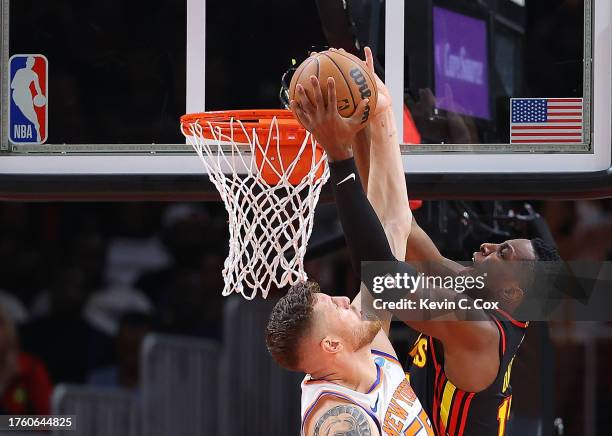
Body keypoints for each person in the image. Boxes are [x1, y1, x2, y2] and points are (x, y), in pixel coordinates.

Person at [273, 47, 562, 435]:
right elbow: (396, 222)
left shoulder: (478, 329)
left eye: (503, 253)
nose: (487, 247)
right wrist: (372, 121)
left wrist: (341, 156)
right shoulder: (467, 293)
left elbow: (383, 279)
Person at [267, 48, 434, 436]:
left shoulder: (367, 353)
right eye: (335, 306)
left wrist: (378, 113)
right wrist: (338, 156)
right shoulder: (335, 421)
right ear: (330, 345)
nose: (346, 299)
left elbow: (392, 224)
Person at [0, 308, 52, 415]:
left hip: (21, 431)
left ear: (7, 331)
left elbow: (55, 422)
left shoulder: (30, 369)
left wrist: (11, 424)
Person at [10, 56, 44, 142]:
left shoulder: (34, 74)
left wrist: (40, 95)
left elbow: (37, 87)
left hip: (25, 93)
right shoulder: (20, 71)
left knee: (31, 111)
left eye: (32, 63)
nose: (30, 64)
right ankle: (37, 125)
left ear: (33, 64)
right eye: (29, 62)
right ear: (26, 62)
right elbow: (12, 85)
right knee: (25, 112)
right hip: (17, 94)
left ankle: (37, 127)